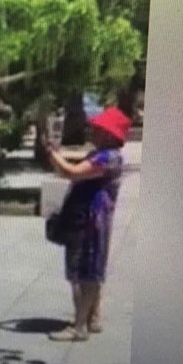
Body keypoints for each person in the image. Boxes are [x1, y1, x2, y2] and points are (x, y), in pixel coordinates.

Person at [44, 106, 131, 342]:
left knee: (83, 271)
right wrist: (60, 154)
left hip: (90, 220)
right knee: (92, 268)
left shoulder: (106, 158)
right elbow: (76, 162)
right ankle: (92, 318)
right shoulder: (105, 155)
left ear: (110, 134)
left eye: (98, 129)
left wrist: (53, 154)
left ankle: (79, 326)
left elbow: (72, 172)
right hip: (92, 218)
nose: (93, 131)